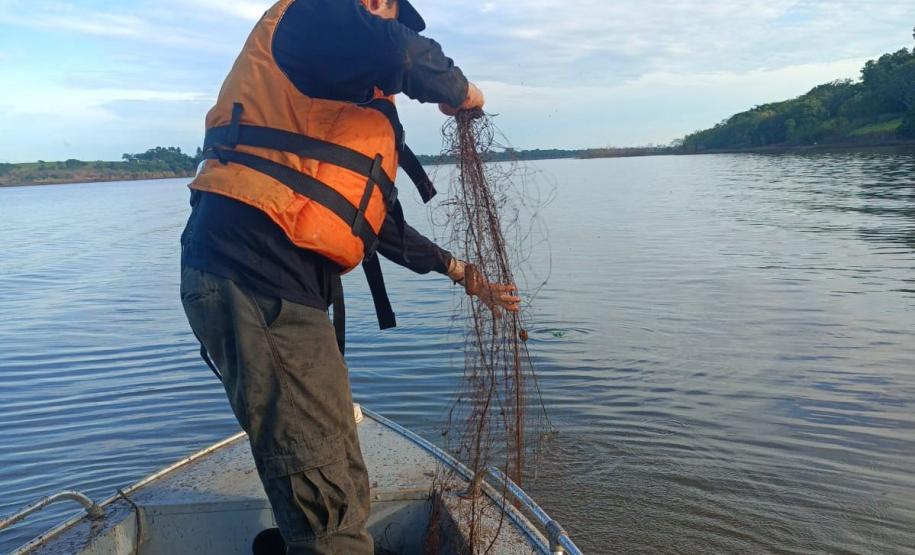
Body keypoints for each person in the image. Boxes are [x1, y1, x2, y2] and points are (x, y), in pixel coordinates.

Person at [178, 0, 520, 553]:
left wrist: (465, 274)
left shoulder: (346, 93)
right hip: (253, 277)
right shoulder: (312, 17)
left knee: (335, 477)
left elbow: (378, 224)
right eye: (387, 7)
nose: (390, 18)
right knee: (327, 503)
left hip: (277, 290)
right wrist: (461, 91)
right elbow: (403, 52)